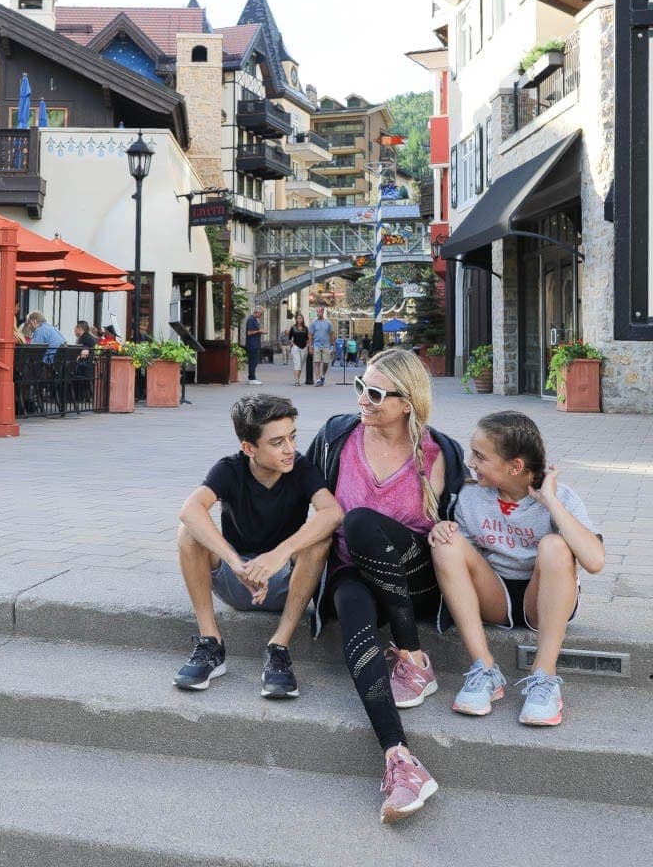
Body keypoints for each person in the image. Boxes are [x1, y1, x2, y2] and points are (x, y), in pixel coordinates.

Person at [304, 348, 466, 824]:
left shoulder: (440, 454)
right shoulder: (338, 436)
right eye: (360, 387)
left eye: (375, 393)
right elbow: (303, 494)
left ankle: (413, 657)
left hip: (410, 577)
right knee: (350, 602)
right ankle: (400, 759)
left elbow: (462, 521)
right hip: (352, 570)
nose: (363, 400)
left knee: (358, 522)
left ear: (407, 403)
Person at [429, 411, 604, 726]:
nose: (471, 462)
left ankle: (544, 677)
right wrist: (442, 530)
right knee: (446, 540)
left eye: (481, 457)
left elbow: (594, 561)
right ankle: (484, 670)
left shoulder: (562, 498)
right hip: (496, 594)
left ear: (515, 466)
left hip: (545, 598)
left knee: (554, 545)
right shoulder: (471, 496)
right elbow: (465, 559)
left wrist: (551, 502)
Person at [175, 394, 342, 698]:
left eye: (292, 437)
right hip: (236, 581)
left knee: (319, 541)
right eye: (277, 443)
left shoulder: (302, 469)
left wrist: (281, 554)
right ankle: (211, 644)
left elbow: (333, 513)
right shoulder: (230, 469)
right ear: (249, 448)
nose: (290, 449)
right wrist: (236, 564)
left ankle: (279, 648)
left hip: (286, 585)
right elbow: (190, 509)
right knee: (188, 532)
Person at [308, 304, 334, 387]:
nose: (318, 313)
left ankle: (323, 376)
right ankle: (318, 379)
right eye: (317, 311)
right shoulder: (313, 323)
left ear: (323, 312)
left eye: (319, 311)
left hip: (326, 346)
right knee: (317, 362)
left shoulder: (328, 323)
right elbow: (310, 335)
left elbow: (332, 335)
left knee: (326, 363)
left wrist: (334, 347)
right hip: (316, 345)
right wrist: (310, 347)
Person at [244, 305, 265, 385]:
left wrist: (259, 331)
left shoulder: (254, 320)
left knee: (255, 361)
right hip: (252, 344)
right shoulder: (251, 319)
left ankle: (252, 378)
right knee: (253, 361)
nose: (261, 316)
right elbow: (249, 332)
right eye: (261, 314)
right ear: (257, 312)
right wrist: (259, 331)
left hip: (255, 344)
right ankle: (252, 378)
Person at [288, 313, 309, 386]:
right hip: (296, 347)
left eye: (301, 318)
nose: (299, 320)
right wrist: (292, 344)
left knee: (301, 364)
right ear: (296, 319)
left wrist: (307, 345)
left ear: (303, 319)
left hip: (304, 348)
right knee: (297, 364)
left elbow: (307, 338)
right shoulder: (293, 328)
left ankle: (297, 379)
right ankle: (297, 381)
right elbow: (290, 337)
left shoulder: (306, 328)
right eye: (298, 318)